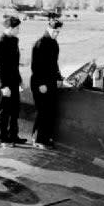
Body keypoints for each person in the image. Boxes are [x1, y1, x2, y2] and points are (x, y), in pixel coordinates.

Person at [29, 19, 63, 149]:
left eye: (58, 32)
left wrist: (58, 77)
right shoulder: (40, 44)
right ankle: (39, 140)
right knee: (43, 111)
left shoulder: (54, 44)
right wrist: (41, 84)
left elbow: (54, 64)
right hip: (40, 83)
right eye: (54, 31)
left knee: (50, 110)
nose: (56, 34)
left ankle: (44, 137)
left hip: (50, 82)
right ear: (48, 28)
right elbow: (35, 67)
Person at [0, 16, 24, 147]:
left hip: (14, 82)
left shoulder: (14, 40)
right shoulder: (0, 42)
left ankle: (13, 136)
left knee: (14, 110)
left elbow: (14, 65)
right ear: (10, 28)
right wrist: (3, 86)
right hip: (4, 83)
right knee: (3, 112)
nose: (19, 30)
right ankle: (2, 139)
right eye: (17, 28)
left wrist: (20, 80)